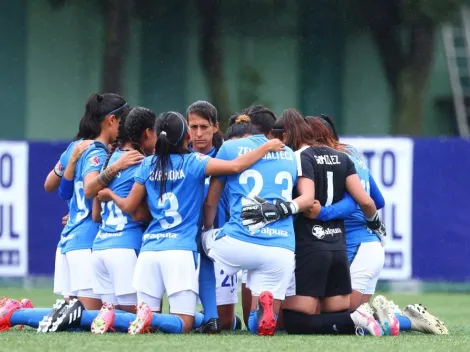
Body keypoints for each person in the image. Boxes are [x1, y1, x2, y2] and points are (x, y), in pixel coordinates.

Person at [96, 111, 284, 334]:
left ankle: (113, 314)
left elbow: (129, 206)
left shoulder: (147, 164)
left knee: (148, 324)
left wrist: (110, 195)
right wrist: (265, 147)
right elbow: (235, 167)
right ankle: (150, 317)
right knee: (183, 323)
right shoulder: (194, 163)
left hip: (149, 252)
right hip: (179, 251)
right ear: (185, 136)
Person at [241, 109, 386, 336]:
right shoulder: (346, 157)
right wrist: (373, 222)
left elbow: (305, 200)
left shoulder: (297, 157)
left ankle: (360, 318)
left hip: (311, 244)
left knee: (295, 320)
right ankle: (366, 319)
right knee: (332, 314)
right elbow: (366, 201)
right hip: (338, 245)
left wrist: (278, 209)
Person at [307, 114, 448, 335]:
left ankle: (401, 319)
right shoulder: (351, 152)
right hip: (370, 245)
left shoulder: (331, 159)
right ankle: (407, 319)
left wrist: (323, 212)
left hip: (357, 249)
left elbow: (362, 201)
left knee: (337, 318)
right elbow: (378, 200)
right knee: (357, 319)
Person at [201, 108, 316, 336]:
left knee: (200, 244)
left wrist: (208, 226)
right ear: (273, 130)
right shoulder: (290, 155)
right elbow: (307, 198)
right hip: (280, 248)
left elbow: (210, 203)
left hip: (239, 241)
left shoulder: (230, 147)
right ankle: (259, 312)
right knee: (261, 324)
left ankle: (210, 317)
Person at [88, 107, 157, 334]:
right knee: (134, 322)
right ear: (146, 133)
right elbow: (138, 214)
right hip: (125, 247)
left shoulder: (110, 159)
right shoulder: (140, 162)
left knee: (113, 325)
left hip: (99, 248)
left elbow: (96, 215)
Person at [186, 101, 235, 332]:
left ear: (215, 127)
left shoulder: (226, 158)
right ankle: (202, 317)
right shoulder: (180, 158)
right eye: (193, 126)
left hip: (220, 245)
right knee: (182, 316)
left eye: (204, 127)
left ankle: (223, 319)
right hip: (184, 246)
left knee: (226, 323)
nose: (198, 133)